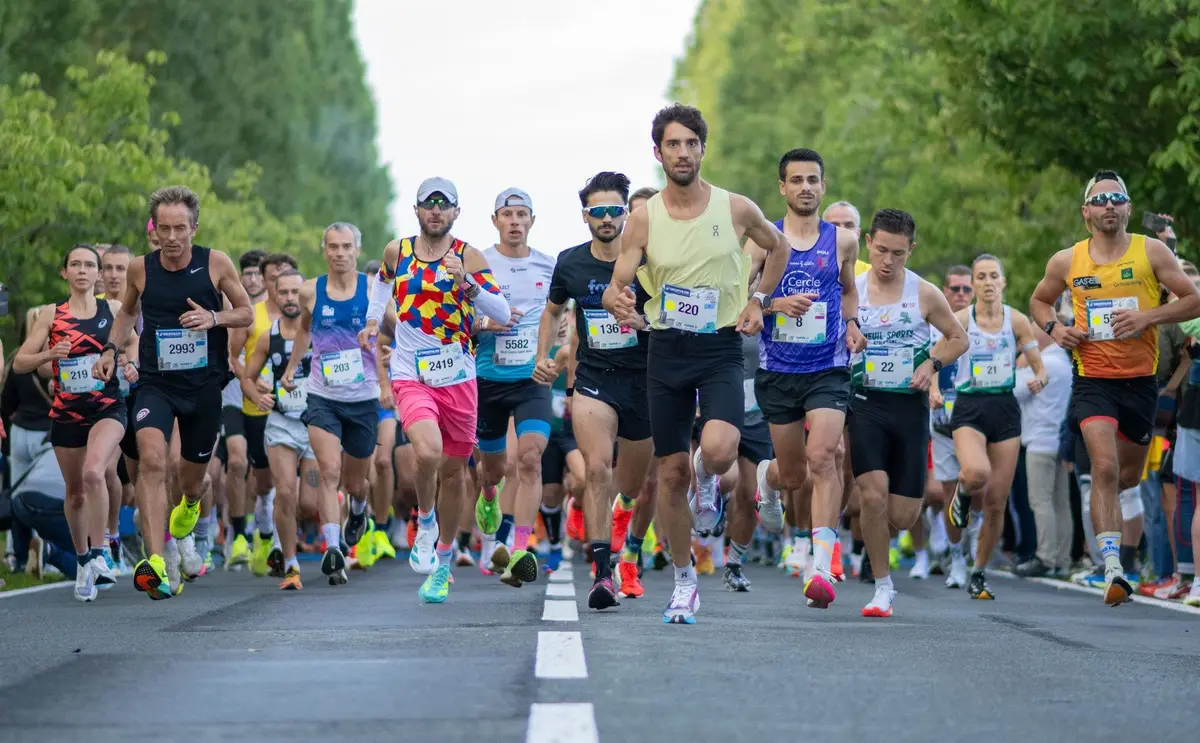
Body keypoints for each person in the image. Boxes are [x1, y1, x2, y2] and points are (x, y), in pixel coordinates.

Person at [603, 104, 797, 625]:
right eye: (673, 144)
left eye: (691, 143)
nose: (683, 153)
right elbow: (618, 278)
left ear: (703, 149)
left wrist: (758, 298)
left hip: (719, 345)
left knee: (718, 448)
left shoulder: (735, 208)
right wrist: (615, 298)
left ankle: (707, 477)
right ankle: (684, 581)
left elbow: (776, 247)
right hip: (667, 349)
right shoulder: (643, 217)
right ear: (658, 152)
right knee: (667, 474)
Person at [1029, 169, 1200, 606]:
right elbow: (1039, 299)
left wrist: (1147, 318)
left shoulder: (1152, 252)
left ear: (1126, 208)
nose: (1109, 205)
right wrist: (1056, 328)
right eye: (1100, 199)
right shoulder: (1068, 260)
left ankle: (1120, 557)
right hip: (1093, 381)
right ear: (1087, 211)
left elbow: (1193, 299)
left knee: (1126, 476)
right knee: (1102, 469)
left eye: (1117, 198)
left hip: (1141, 382)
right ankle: (1113, 568)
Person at [94, 185, 254, 600]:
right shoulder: (139, 269)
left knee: (192, 481)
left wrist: (213, 317)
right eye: (163, 228)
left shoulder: (215, 263)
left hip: (203, 386)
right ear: (155, 230)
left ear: (193, 227)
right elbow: (128, 311)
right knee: (150, 460)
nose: (171, 237)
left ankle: (186, 515)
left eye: (179, 228)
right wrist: (111, 347)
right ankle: (156, 562)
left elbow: (247, 312)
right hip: (156, 383)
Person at [361, 177, 510, 602]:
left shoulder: (470, 255)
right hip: (412, 372)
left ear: (456, 212)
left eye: (444, 206)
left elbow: (500, 312)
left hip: (459, 376)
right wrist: (374, 321)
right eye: (429, 204)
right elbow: (382, 284)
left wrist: (468, 283)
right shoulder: (398, 251)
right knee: (426, 452)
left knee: (454, 472)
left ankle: (443, 563)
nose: (436, 212)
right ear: (417, 209)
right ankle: (425, 520)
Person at [746, 148, 865, 610]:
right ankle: (768, 479)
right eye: (796, 180)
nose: (805, 188)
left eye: (813, 180)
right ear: (782, 188)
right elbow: (745, 301)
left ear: (823, 185)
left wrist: (853, 325)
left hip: (828, 367)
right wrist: (774, 305)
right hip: (779, 369)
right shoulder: (764, 240)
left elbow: (849, 290)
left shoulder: (843, 242)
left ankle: (820, 562)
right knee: (793, 474)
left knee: (825, 457)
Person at [533, 171, 655, 610]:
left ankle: (623, 517)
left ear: (626, 213)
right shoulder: (570, 262)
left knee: (633, 484)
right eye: (597, 211)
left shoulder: (650, 260)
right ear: (585, 216)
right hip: (595, 379)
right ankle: (603, 574)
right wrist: (542, 356)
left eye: (614, 210)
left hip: (644, 379)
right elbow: (552, 312)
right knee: (597, 469)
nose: (606, 218)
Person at [849, 209, 967, 617]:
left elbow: (958, 339)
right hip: (865, 404)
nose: (887, 261)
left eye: (898, 253)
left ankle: (877, 537)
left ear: (910, 250)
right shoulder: (854, 289)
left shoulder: (925, 293)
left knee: (901, 514)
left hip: (909, 409)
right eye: (881, 250)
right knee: (873, 496)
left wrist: (931, 364)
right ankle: (882, 587)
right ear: (868, 242)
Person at [13, 245, 138, 601]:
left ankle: (99, 554)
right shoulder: (51, 315)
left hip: (108, 407)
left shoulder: (113, 309)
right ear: (64, 272)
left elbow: (132, 343)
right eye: (75, 265)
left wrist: (129, 363)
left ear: (98, 275)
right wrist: (50, 354)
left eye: (89, 265)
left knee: (95, 472)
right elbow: (20, 362)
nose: (82, 270)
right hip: (67, 413)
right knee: (75, 493)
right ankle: (83, 561)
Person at [938, 254, 1048, 600]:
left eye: (993, 276)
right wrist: (931, 388)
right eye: (980, 277)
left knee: (998, 503)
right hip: (969, 407)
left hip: (1004, 409)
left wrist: (1040, 378)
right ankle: (963, 491)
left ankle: (978, 571)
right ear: (973, 286)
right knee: (975, 473)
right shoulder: (960, 319)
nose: (987, 282)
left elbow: (1037, 363)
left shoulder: (1016, 320)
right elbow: (933, 355)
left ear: (1003, 283)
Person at [279, 222, 379, 587]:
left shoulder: (372, 290)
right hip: (323, 395)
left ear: (357, 250)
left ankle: (358, 509)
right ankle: (333, 549)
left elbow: (396, 330)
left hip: (364, 398)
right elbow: (305, 329)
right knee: (329, 469)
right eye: (333, 247)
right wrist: (292, 368)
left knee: (356, 481)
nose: (340, 253)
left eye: (347, 247)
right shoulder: (310, 291)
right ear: (325, 250)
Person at [472, 187, 557, 585]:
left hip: (531, 380)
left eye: (522, 215)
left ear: (532, 222)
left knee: (529, 459)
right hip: (487, 378)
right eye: (508, 215)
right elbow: (458, 321)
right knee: (494, 470)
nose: (515, 222)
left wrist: (554, 354)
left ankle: (521, 548)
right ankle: (489, 495)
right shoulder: (479, 264)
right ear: (495, 221)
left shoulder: (548, 266)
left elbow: (559, 317)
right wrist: (489, 323)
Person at [242, 268, 315, 590]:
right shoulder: (268, 335)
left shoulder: (321, 331)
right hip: (281, 425)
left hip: (316, 425)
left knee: (310, 502)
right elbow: (247, 375)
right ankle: (290, 564)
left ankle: (335, 527)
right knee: (285, 492)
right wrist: (258, 394)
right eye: (282, 292)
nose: (289, 298)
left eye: (294, 292)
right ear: (274, 294)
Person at [1013, 326, 1074, 578]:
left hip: (1040, 441)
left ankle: (1045, 557)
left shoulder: (1043, 363)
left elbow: (1014, 392)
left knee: (1040, 502)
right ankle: (1062, 559)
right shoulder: (1064, 362)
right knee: (1061, 503)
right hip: (1059, 441)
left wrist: (1020, 365)